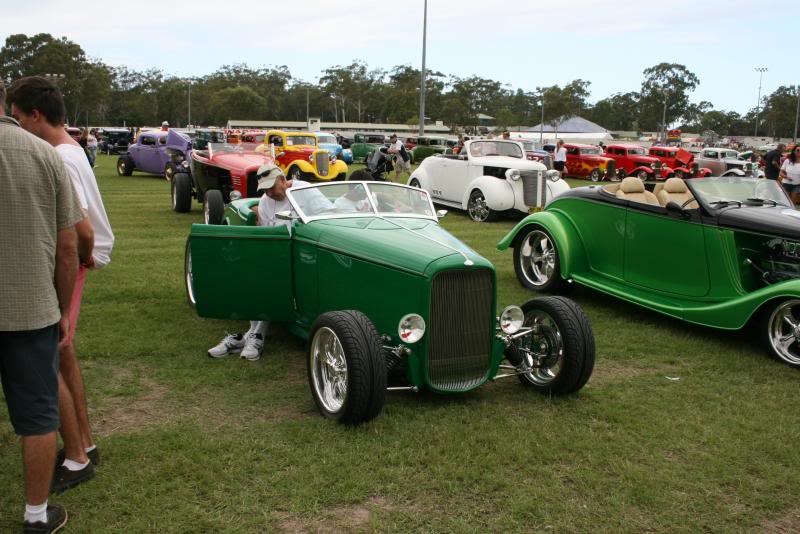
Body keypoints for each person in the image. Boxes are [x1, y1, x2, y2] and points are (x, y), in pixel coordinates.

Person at [8, 76, 115, 495]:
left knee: (50, 350)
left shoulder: (62, 158)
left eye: (17, 118)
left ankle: (76, 455)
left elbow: (80, 230)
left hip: (73, 260)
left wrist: (81, 259)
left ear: (36, 115)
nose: (15, 126)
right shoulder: (69, 152)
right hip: (76, 258)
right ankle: (83, 443)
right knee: (61, 353)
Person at [0, 78, 84, 533]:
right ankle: (36, 514)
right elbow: (68, 246)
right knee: (36, 416)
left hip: (30, 310)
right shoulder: (43, 154)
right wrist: (61, 307)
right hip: (31, 309)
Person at [207, 165, 312, 361]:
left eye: (272, 187)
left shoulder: (303, 190)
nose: (270, 192)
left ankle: (250, 336)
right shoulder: (265, 200)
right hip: (278, 254)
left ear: (282, 179)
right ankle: (251, 335)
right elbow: (266, 233)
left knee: (267, 277)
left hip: (304, 253)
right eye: (265, 189)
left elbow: (324, 217)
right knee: (253, 272)